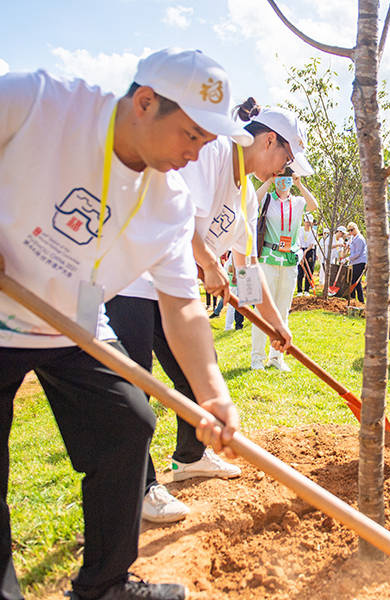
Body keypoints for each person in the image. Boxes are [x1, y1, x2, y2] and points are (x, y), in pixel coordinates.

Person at [0, 48, 248, 600]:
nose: (195, 154)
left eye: (206, 143)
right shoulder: (39, 102)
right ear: (144, 102)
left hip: (71, 324)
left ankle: (105, 587)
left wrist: (213, 394)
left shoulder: (170, 202)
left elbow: (183, 304)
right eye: (190, 136)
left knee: (127, 423)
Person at [106, 98, 303, 522]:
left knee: (198, 375)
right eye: (286, 159)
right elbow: (180, 224)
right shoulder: (210, 153)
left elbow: (246, 266)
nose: (283, 170)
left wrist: (274, 321)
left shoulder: (247, 194)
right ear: (269, 140)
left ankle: (189, 458)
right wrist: (209, 265)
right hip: (135, 281)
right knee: (136, 389)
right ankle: (140, 489)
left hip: (174, 291)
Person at [251, 171, 318, 370]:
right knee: (261, 310)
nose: (284, 181)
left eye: (287, 178)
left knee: (282, 311)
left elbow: (313, 205)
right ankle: (257, 358)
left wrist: (299, 184)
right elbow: (252, 201)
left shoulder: (297, 202)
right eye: (280, 177)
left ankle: (276, 358)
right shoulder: (268, 199)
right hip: (268, 258)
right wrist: (269, 180)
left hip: (289, 260)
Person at [296, 214, 317, 296]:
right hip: (300, 249)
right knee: (300, 270)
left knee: (309, 270)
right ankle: (299, 291)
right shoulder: (299, 230)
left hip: (310, 251)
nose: (308, 224)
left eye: (310, 222)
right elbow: (297, 241)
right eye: (307, 222)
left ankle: (307, 290)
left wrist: (306, 251)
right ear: (304, 222)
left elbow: (312, 244)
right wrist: (301, 250)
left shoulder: (313, 232)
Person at [346, 221, 366, 302]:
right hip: (355, 262)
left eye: (352, 230)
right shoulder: (353, 238)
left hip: (360, 262)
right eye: (349, 230)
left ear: (356, 229)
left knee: (356, 282)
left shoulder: (360, 239)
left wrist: (348, 258)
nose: (350, 232)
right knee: (353, 281)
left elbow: (358, 253)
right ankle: (354, 299)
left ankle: (360, 300)